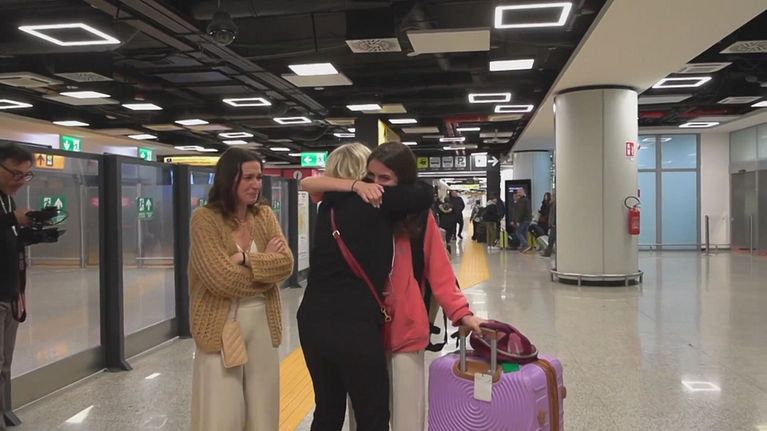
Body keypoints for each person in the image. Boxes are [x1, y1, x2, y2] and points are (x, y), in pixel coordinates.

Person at [307, 143, 483, 431]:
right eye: (371, 177)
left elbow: (439, 271)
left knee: (406, 418)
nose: (377, 185)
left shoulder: (417, 217)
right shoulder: (354, 210)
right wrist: (355, 187)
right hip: (362, 331)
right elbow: (312, 186)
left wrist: (462, 313)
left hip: (404, 329)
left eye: (385, 178)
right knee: (364, 416)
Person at [298, 143, 434, 431]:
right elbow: (425, 192)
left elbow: (307, 182)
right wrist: (363, 186)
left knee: (327, 410)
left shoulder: (327, 205)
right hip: (354, 323)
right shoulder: (381, 201)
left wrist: (353, 185)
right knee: (372, 415)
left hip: (311, 319)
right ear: (363, 172)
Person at [189, 148, 294, 431]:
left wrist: (246, 259)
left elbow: (286, 265)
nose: (256, 184)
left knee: (263, 411)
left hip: (263, 322)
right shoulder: (204, 220)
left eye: (259, 177)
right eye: (248, 177)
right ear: (228, 179)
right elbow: (220, 279)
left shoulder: (264, 216)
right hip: (220, 324)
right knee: (221, 413)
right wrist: (265, 267)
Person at [0, 143, 34, 430]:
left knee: (3, 366)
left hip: (9, 296)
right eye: (16, 173)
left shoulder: (7, 200)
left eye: (26, 175)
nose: (21, 181)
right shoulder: (8, 209)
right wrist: (12, 220)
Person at [542, 192, 557, 257]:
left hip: (555, 224)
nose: (552, 198)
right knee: (551, 239)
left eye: (553, 196)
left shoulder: (557, 205)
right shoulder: (551, 205)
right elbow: (547, 212)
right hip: (552, 224)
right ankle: (548, 252)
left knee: (551, 239)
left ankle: (548, 253)